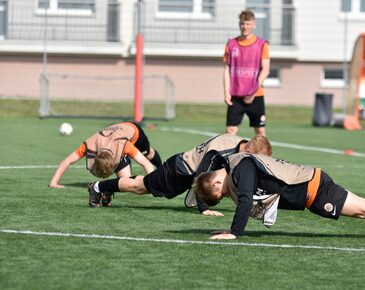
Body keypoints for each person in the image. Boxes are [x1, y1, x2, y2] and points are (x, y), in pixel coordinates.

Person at [195, 152, 365, 239]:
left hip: (317, 191)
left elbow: (245, 199)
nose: (225, 196)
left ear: (216, 181)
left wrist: (234, 233)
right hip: (315, 188)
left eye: (221, 193)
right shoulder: (236, 165)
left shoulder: (240, 168)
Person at [88, 134, 272, 213]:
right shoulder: (221, 151)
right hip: (178, 171)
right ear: (248, 151)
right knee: (139, 187)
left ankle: (104, 188)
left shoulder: (241, 145)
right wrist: (205, 209)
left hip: (186, 173)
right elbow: (201, 179)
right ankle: (98, 187)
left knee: (141, 185)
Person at [50, 122, 162, 192]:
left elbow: (146, 163)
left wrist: (153, 184)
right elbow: (67, 161)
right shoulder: (90, 145)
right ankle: (125, 158)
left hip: (134, 131)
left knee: (148, 154)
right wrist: (54, 182)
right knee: (127, 182)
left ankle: (161, 168)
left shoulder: (124, 145)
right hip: (115, 138)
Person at [224, 9, 270, 136]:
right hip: (236, 96)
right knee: (230, 131)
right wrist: (226, 93)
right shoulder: (232, 44)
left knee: (260, 131)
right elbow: (227, 70)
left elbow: (265, 70)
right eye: (242, 23)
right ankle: (230, 156)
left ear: (254, 25)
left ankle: (263, 156)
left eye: (248, 24)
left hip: (256, 96)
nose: (245, 26)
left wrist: (253, 92)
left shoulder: (262, 44)